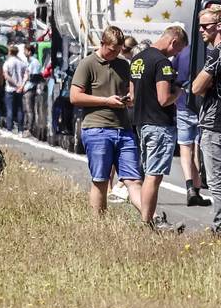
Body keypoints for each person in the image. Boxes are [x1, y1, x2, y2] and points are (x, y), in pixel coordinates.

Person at [69, 26, 144, 217]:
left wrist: (128, 99)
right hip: (97, 129)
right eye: (112, 50)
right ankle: (98, 225)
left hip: (124, 129)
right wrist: (106, 101)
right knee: (101, 180)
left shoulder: (123, 65)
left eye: (118, 51)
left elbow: (131, 91)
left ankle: (151, 217)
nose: (115, 54)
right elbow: (75, 97)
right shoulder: (87, 64)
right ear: (102, 44)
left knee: (134, 180)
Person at [129, 26, 188, 230]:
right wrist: (178, 92)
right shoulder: (162, 63)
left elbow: (132, 96)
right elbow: (164, 99)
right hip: (159, 124)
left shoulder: (137, 59)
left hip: (141, 122)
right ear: (173, 42)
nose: (176, 54)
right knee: (154, 176)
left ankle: (147, 220)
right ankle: (147, 223)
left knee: (148, 174)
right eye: (177, 50)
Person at [191, 8, 221, 236]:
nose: (201, 30)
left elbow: (196, 87)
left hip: (214, 120)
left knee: (216, 179)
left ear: (219, 25)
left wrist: (203, 84)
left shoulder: (219, 52)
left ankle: (220, 228)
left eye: (205, 26)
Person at [173, 43, 208, 206]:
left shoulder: (182, 53)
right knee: (197, 148)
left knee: (185, 148)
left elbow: (175, 77)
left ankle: (190, 186)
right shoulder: (211, 51)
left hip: (183, 103)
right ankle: (197, 187)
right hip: (203, 105)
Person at [2, 44, 29, 134]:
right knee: (19, 109)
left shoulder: (7, 62)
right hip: (20, 89)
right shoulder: (22, 62)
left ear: (10, 52)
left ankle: (9, 128)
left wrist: (16, 84)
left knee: (9, 109)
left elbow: (6, 76)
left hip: (10, 88)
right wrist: (22, 85)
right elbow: (26, 74)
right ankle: (20, 130)